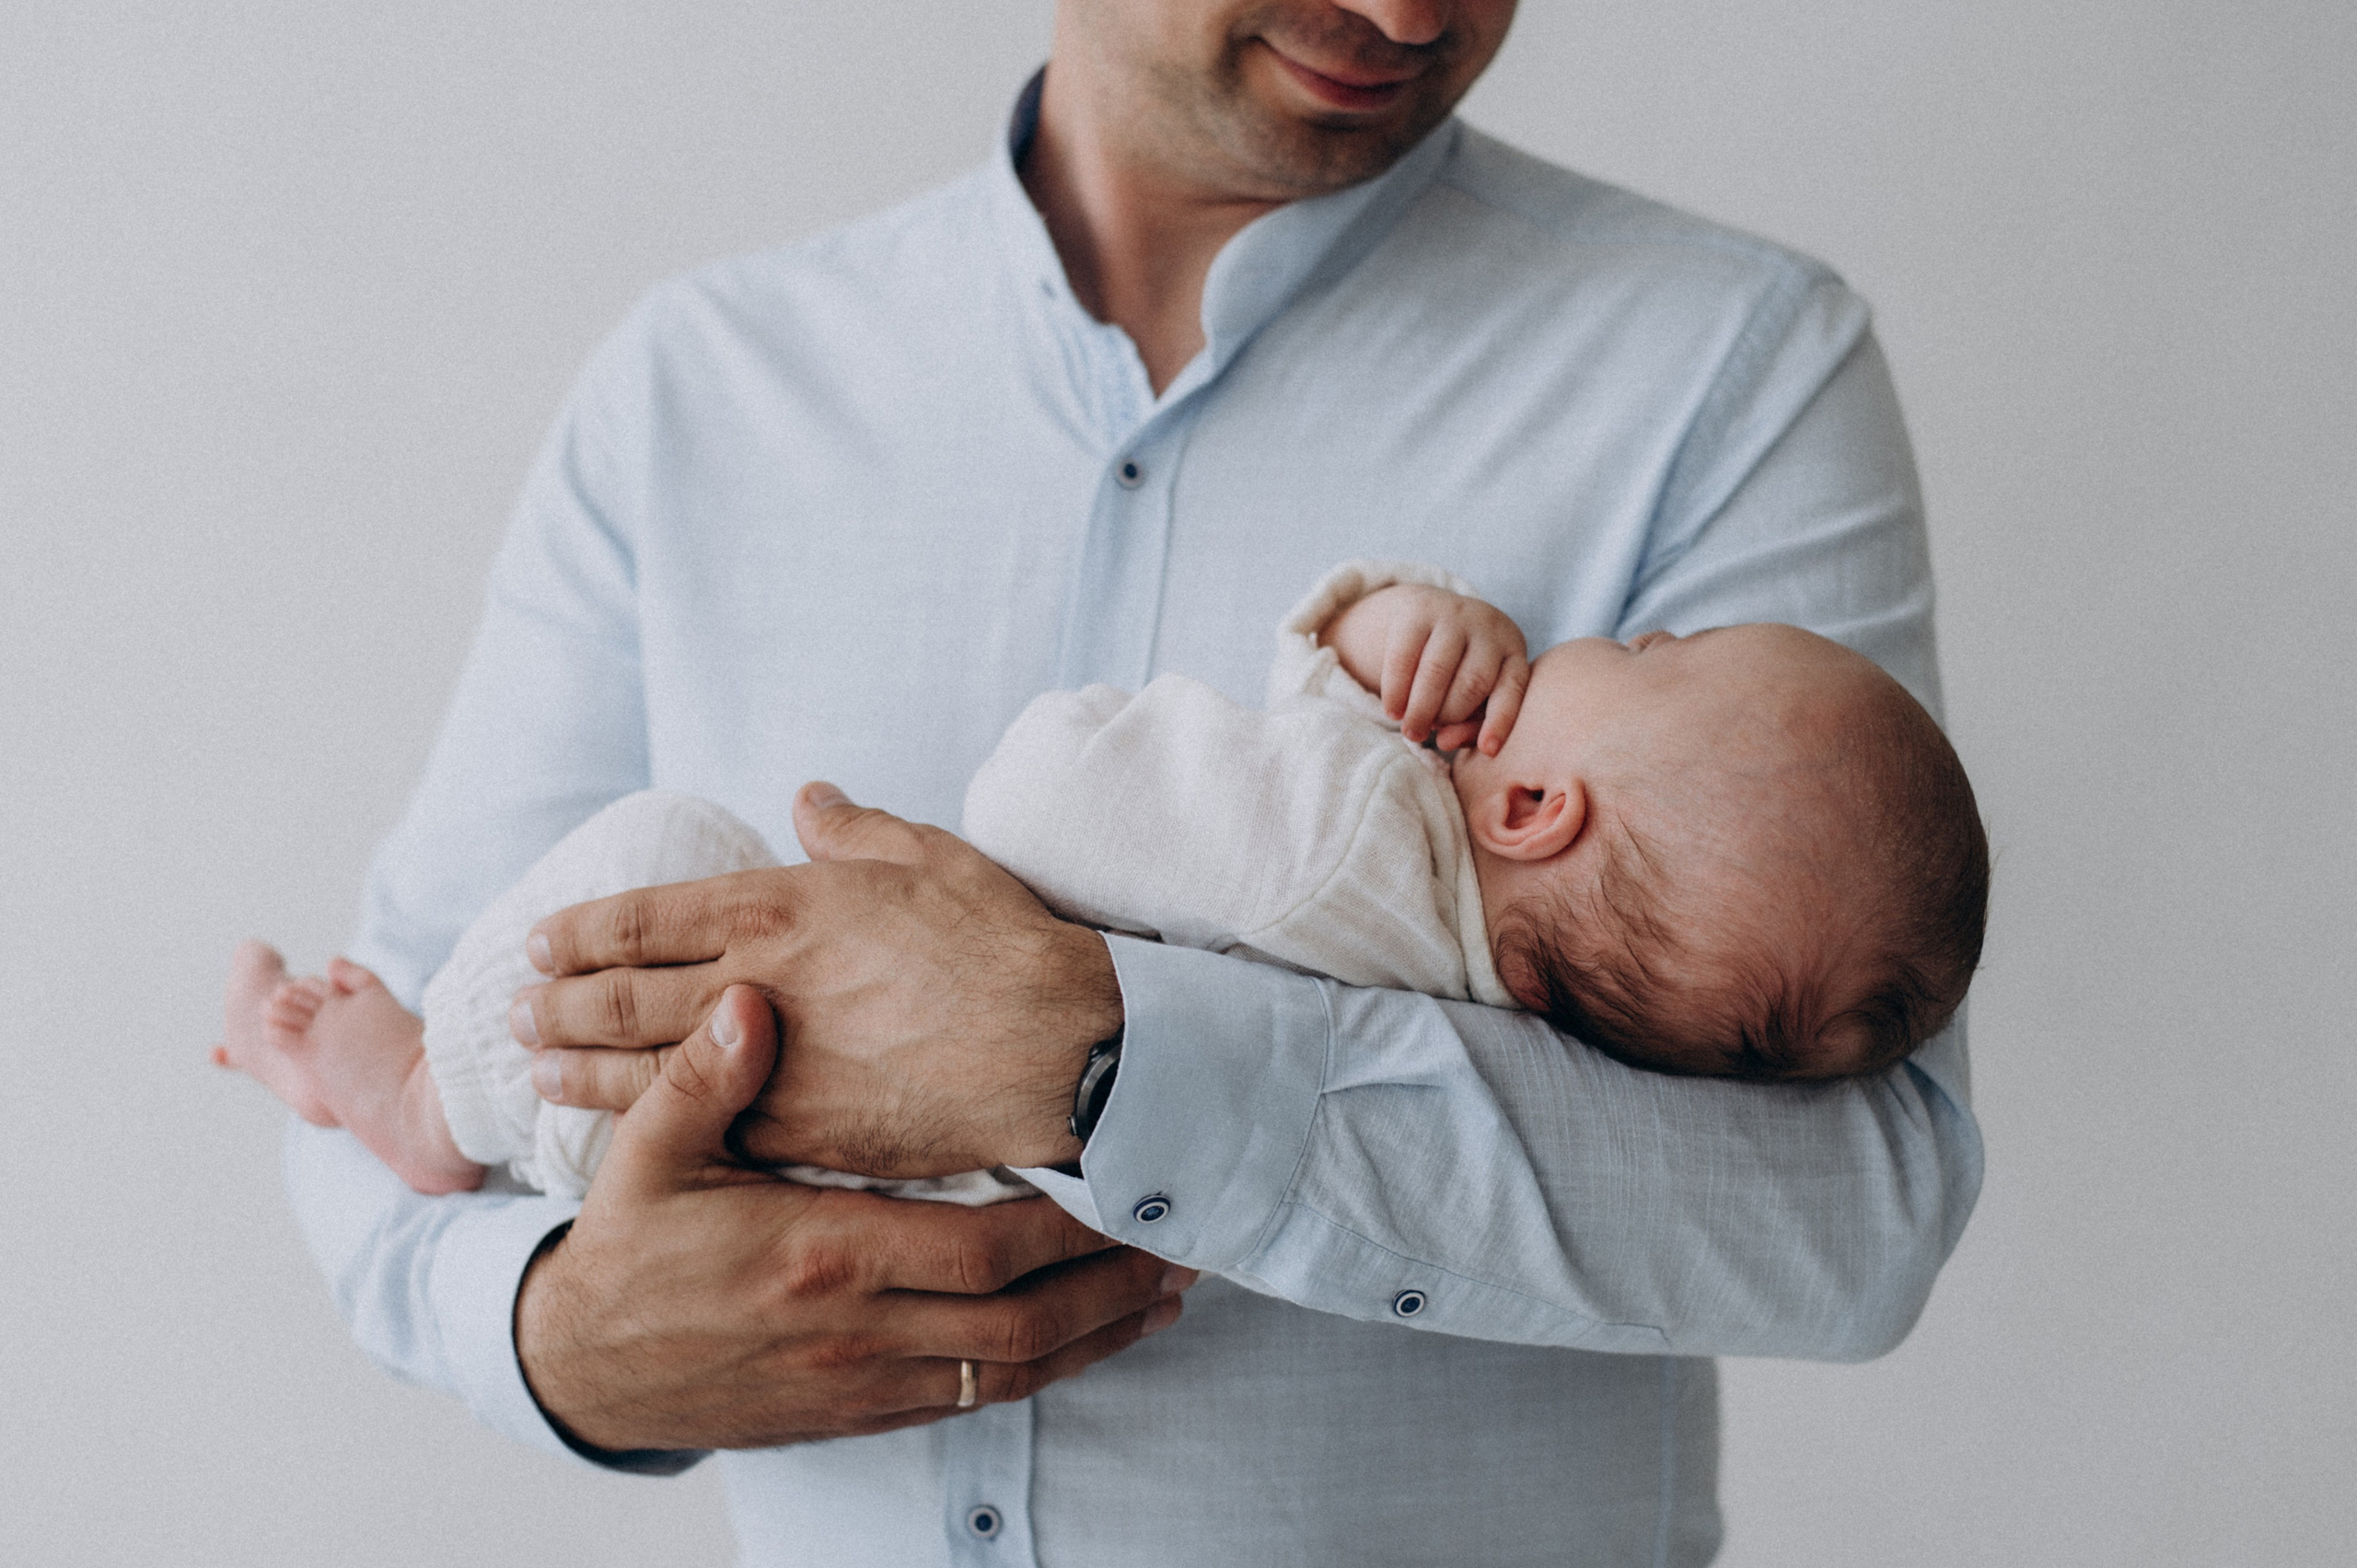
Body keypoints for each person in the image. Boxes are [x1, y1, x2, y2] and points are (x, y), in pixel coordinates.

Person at [284, 2, 1986, 1562]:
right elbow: (406, 1037)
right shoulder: (696, 389)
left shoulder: (1733, 367)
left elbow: (1854, 1212)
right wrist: (567, 1339)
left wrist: (1091, 1059)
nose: (1407, 14)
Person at [225, 562, 1983, 1201]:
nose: (1607, 631)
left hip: (789, 1090)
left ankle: (409, 1099)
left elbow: (1051, 786)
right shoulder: (1448, 945)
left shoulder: (1344, 836)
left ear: (1528, 807)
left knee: (670, 851)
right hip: (887, 1183)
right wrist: (1366, 647)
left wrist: (1353, 645)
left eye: (1653, 646)